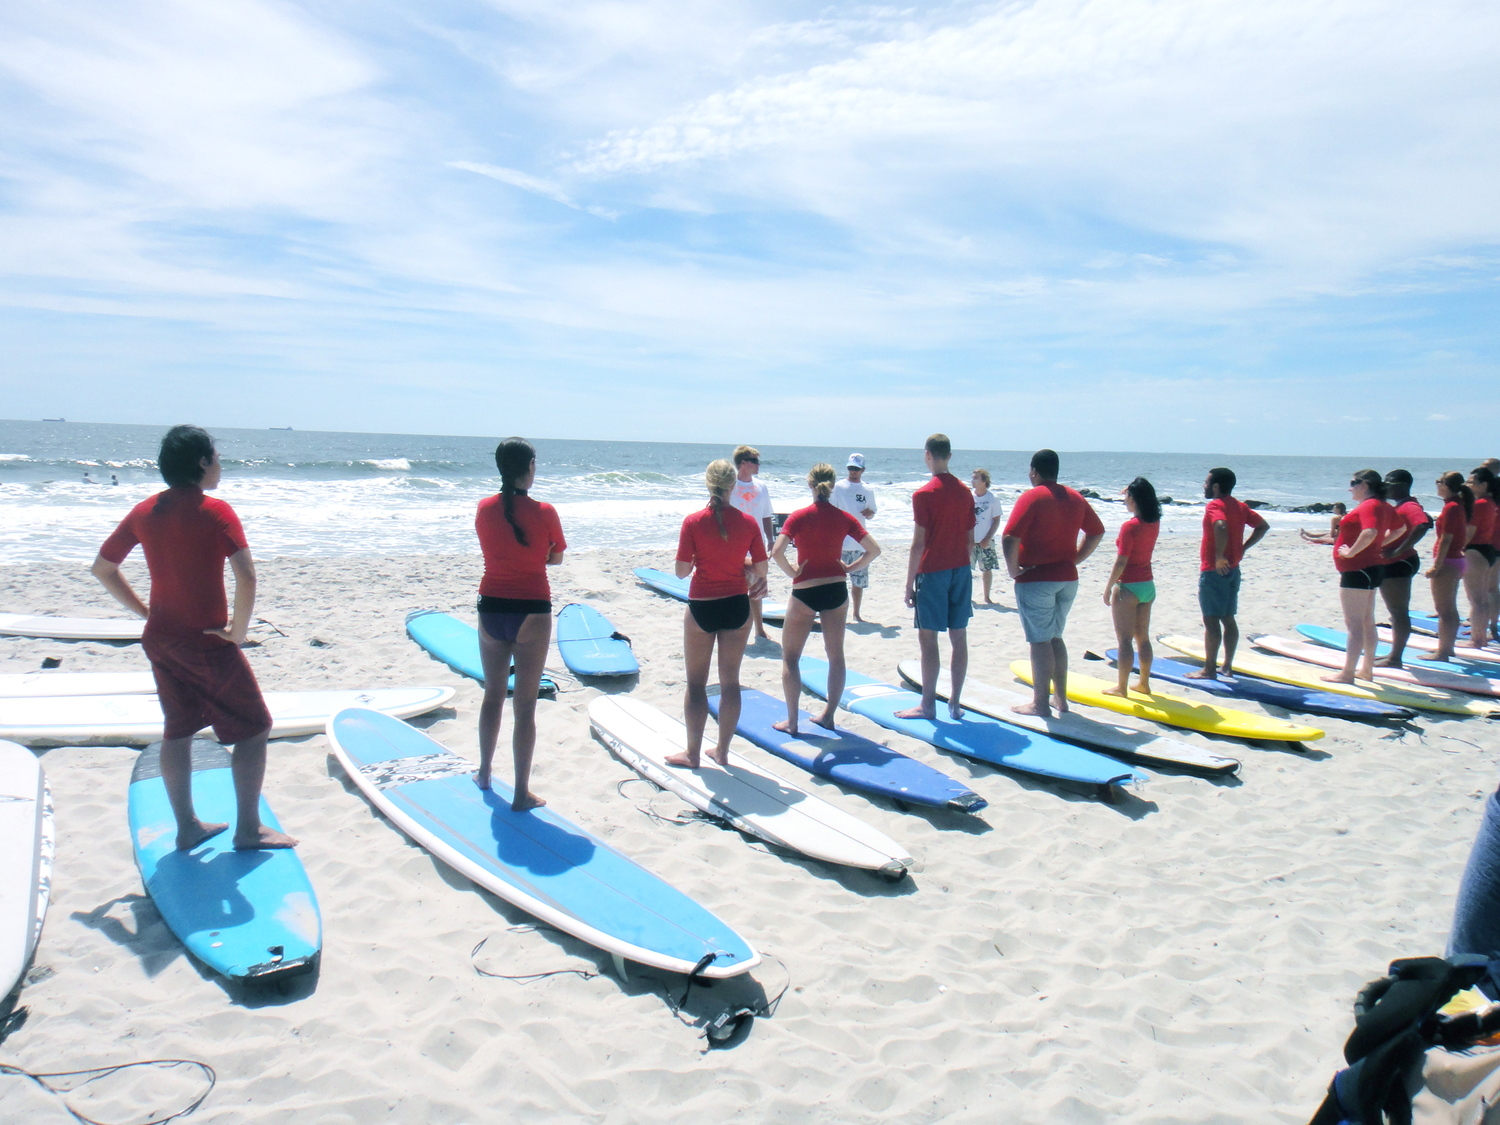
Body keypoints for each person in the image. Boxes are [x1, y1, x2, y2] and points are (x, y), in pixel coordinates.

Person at [91, 425, 294, 851]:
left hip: (161, 639)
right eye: (216, 457)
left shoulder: (145, 511)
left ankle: (187, 827)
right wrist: (237, 633)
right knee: (255, 728)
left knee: (178, 730)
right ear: (202, 462)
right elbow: (247, 577)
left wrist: (145, 611)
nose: (220, 465)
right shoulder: (216, 512)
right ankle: (248, 830)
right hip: (207, 643)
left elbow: (103, 569)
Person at [473, 437, 565, 810]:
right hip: (532, 608)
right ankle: (520, 792)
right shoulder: (545, 512)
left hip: (491, 607)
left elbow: (494, 550)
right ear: (529, 468)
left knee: (492, 695)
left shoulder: (483, 508)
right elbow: (554, 559)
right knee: (524, 706)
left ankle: (483, 771)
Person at [667, 459, 769, 768]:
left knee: (696, 685)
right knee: (730, 683)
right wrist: (739, 564)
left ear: (707, 484)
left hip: (703, 606)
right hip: (737, 606)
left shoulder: (693, 522)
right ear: (733, 486)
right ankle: (722, 751)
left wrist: (704, 557)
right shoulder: (748, 523)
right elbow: (762, 569)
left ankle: (693, 753)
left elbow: (682, 572)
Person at [770, 464, 880, 735]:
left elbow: (776, 552)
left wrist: (793, 572)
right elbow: (874, 550)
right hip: (836, 589)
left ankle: (793, 722)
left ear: (810, 485)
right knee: (836, 657)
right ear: (832, 487)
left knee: (791, 658)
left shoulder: (798, 517)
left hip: (805, 590)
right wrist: (849, 568)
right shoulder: (844, 517)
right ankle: (828, 716)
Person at [1001, 448, 1105, 717]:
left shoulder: (1033, 497)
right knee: (1056, 637)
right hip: (1067, 578)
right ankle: (1060, 699)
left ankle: (1039, 703)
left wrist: (1013, 571)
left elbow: (1009, 537)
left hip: (1037, 578)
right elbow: (1096, 532)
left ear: (1034, 471)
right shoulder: (1074, 497)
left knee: (1040, 641)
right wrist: (1076, 558)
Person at [898, 434, 974, 720]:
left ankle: (928, 704)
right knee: (959, 636)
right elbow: (970, 539)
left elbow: (919, 543)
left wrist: (908, 584)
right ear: (950, 456)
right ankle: (954, 703)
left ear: (927, 455)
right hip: (961, 569)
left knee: (928, 639)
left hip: (933, 570)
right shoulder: (966, 492)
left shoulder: (923, 494)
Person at [1303, 469, 1399, 684]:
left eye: (1353, 483)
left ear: (1364, 485)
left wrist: (1351, 552)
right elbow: (1399, 529)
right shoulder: (1383, 505)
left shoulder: (1370, 505)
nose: (1350, 487)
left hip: (1359, 569)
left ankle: (1347, 674)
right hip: (1370, 568)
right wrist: (1376, 546)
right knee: (1366, 621)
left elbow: (1370, 532)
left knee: (1354, 624)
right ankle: (1366, 670)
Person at [1186, 467, 1269, 680]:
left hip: (1215, 570)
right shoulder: (1240, 507)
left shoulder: (1215, 505)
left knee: (1211, 620)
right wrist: (1242, 548)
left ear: (1215, 486)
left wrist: (1220, 555)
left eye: (1206, 483)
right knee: (1228, 618)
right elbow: (1262, 526)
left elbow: (1220, 525)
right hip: (1233, 569)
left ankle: (1209, 669)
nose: (1204, 486)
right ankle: (1228, 667)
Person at [1101, 477, 1161, 697]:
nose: (1124, 500)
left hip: (1128, 586)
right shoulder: (1154, 522)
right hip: (1147, 584)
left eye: (1127, 497)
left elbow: (1121, 560)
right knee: (1142, 638)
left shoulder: (1130, 527)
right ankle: (1144, 683)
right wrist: (1134, 489)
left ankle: (1121, 687)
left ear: (1134, 499)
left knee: (1124, 639)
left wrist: (1108, 587)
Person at [1373, 469, 1431, 668]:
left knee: (1398, 612)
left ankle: (1395, 658)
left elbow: (1423, 525)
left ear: (1403, 485)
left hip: (1399, 563)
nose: (1386, 487)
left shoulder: (1409, 505)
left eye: (1390, 484)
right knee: (1395, 611)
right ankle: (1393, 655)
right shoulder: (1401, 505)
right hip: (1398, 562)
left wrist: (1397, 550)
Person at [729, 445, 776, 640]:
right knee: (735, 588)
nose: (758, 465)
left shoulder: (761, 486)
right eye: (754, 461)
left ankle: (759, 629)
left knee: (757, 590)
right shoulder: (729, 485)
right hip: (734, 545)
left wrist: (771, 539)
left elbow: (766, 515)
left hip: (755, 545)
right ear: (743, 463)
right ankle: (733, 626)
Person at [1426, 472, 1473, 662]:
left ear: (1446, 485)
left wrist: (1436, 566)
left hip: (1448, 561)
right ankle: (1448, 649)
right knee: (1449, 609)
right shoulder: (1454, 505)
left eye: (1439, 482)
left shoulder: (1452, 507)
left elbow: (1446, 539)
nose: (1437, 485)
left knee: (1444, 610)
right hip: (1455, 560)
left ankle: (1443, 651)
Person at [831, 454, 878, 622]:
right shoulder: (838, 487)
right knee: (838, 581)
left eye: (856, 469)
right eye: (851, 468)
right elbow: (831, 509)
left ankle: (856, 613)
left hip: (859, 544)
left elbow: (872, 511)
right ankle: (837, 612)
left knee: (858, 582)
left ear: (863, 470)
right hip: (841, 543)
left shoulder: (867, 489)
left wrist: (869, 513)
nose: (853, 472)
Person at [1465, 467, 1499, 652]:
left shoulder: (1480, 504)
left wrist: (1458, 548)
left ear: (1483, 485)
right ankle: (1482, 635)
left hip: (1476, 550)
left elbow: (1470, 531)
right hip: (1486, 550)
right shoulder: (1490, 502)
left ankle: (1477, 639)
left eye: (1471, 482)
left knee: (1476, 599)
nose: (1467, 485)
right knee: (1482, 597)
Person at [970, 469, 1003, 605]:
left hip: (986, 540)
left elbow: (996, 520)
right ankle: (967, 596)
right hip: (969, 540)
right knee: (966, 570)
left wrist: (987, 538)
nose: (973, 480)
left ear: (984, 481)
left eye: (976, 478)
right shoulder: (968, 496)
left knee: (987, 569)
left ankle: (986, 596)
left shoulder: (992, 499)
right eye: (973, 478)